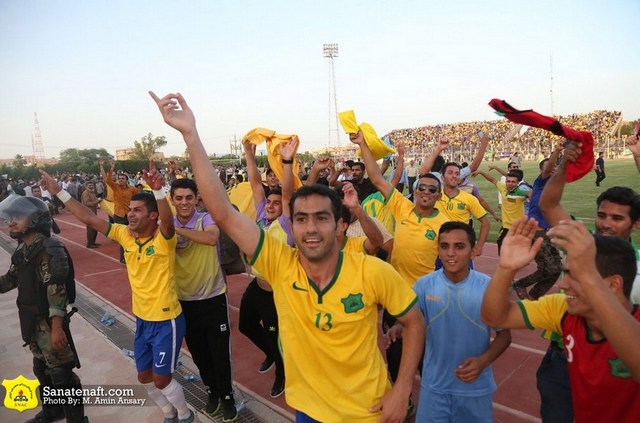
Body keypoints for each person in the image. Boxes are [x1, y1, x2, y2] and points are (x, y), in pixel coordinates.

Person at [151, 91, 425, 423]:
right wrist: (191, 135)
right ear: (291, 225)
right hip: (307, 412)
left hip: (368, 412)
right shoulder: (280, 263)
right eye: (301, 218)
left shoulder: (372, 271)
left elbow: (414, 322)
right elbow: (222, 212)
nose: (310, 228)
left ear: (340, 223)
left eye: (321, 218)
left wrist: (402, 389)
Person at [40, 162, 195, 423]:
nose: (130, 214)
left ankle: (185, 414)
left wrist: (159, 193)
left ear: (153, 216)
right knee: (143, 377)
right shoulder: (125, 234)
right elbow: (89, 218)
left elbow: (168, 221)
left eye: (137, 211)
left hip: (166, 320)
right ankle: (169, 413)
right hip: (142, 319)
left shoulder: (163, 239)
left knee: (161, 378)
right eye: (130, 210)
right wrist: (58, 191)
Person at [481, 217, 640, 423]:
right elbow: (494, 317)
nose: (563, 285)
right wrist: (505, 268)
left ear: (613, 284)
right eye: (566, 273)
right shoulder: (563, 308)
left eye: (577, 275)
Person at [0, 194, 88, 423]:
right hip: (32, 322)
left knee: (62, 375)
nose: (11, 222)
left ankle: (76, 419)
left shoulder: (50, 249)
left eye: (17, 217)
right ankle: (53, 410)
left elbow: (57, 291)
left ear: (34, 220)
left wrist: (57, 328)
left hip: (49, 323)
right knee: (41, 369)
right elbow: (10, 280)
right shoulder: (24, 250)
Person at [413, 222, 511, 422]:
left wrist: (483, 361)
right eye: (444, 246)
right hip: (434, 387)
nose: (451, 253)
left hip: (475, 389)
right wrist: (398, 327)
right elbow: (413, 324)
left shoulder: (490, 287)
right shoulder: (423, 286)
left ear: (473, 250)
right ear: (438, 249)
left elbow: (505, 335)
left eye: (459, 246)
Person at [170, 178, 238, 421]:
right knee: (199, 352)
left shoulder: (205, 219)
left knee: (219, 351)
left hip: (213, 296)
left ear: (196, 198)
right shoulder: (168, 223)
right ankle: (211, 390)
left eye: (189, 197)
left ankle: (228, 396)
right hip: (184, 300)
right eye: (179, 198)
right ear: (172, 200)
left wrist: (173, 229)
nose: (184, 202)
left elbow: (211, 238)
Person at [238, 137, 295, 399]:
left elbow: (286, 192)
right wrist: (250, 153)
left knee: (276, 336)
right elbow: (254, 184)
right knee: (246, 325)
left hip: (276, 292)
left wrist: (286, 161)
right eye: (269, 203)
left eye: (276, 204)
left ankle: (282, 373)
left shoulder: (286, 224)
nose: (270, 206)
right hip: (257, 286)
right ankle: (272, 355)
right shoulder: (262, 216)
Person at [511, 146, 564, 300]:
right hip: (536, 232)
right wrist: (557, 151)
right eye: (550, 167)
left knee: (556, 269)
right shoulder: (541, 182)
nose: (553, 170)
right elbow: (548, 170)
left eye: (556, 167)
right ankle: (520, 284)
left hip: (548, 232)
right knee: (548, 268)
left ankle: (534, 296)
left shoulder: (552, 188)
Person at [438, 163, 490, 256]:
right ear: (442, 178)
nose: (454, 176)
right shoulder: (435, 197)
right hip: (438, 247)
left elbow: (485, 222)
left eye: (457, 174)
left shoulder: (469, 199)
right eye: (450, 173)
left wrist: (479, 246)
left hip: (461, 248)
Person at [474, 169, 529, 254]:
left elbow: (531, 194)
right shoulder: (503, 187)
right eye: (508, 181)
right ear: (505, 182)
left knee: (515, 247)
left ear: (517, 183)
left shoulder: (520, 192)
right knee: (501, 243)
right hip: (506, 226)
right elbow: (492, 179)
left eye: (513, 182)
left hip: (518, 227)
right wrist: (481, 172)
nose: (510, 184)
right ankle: (508, 262)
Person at [100, 159, 138, 263]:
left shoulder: (132, 189)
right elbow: (108, 180)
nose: (120, 180)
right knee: (123, 236)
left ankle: (132, 254)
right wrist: (112, 168)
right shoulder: (115, 187)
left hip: (130, 215)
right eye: (119, 178)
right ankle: (123, 258)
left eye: (122, 178)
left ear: (127, 180)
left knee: (133, 235)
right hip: (119, 216)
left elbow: (137, 198)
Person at [80, 181, 100, 249]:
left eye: (92, 185)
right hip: (88, 213)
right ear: (86, 186)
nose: (91, 186)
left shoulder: (92, 193)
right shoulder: (85, 193)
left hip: (93, 213)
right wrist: (97, 201)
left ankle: (93, 242)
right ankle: (90, 243)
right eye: (89, 186)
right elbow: (87, 203)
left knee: (94, 228)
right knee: (90, 229)